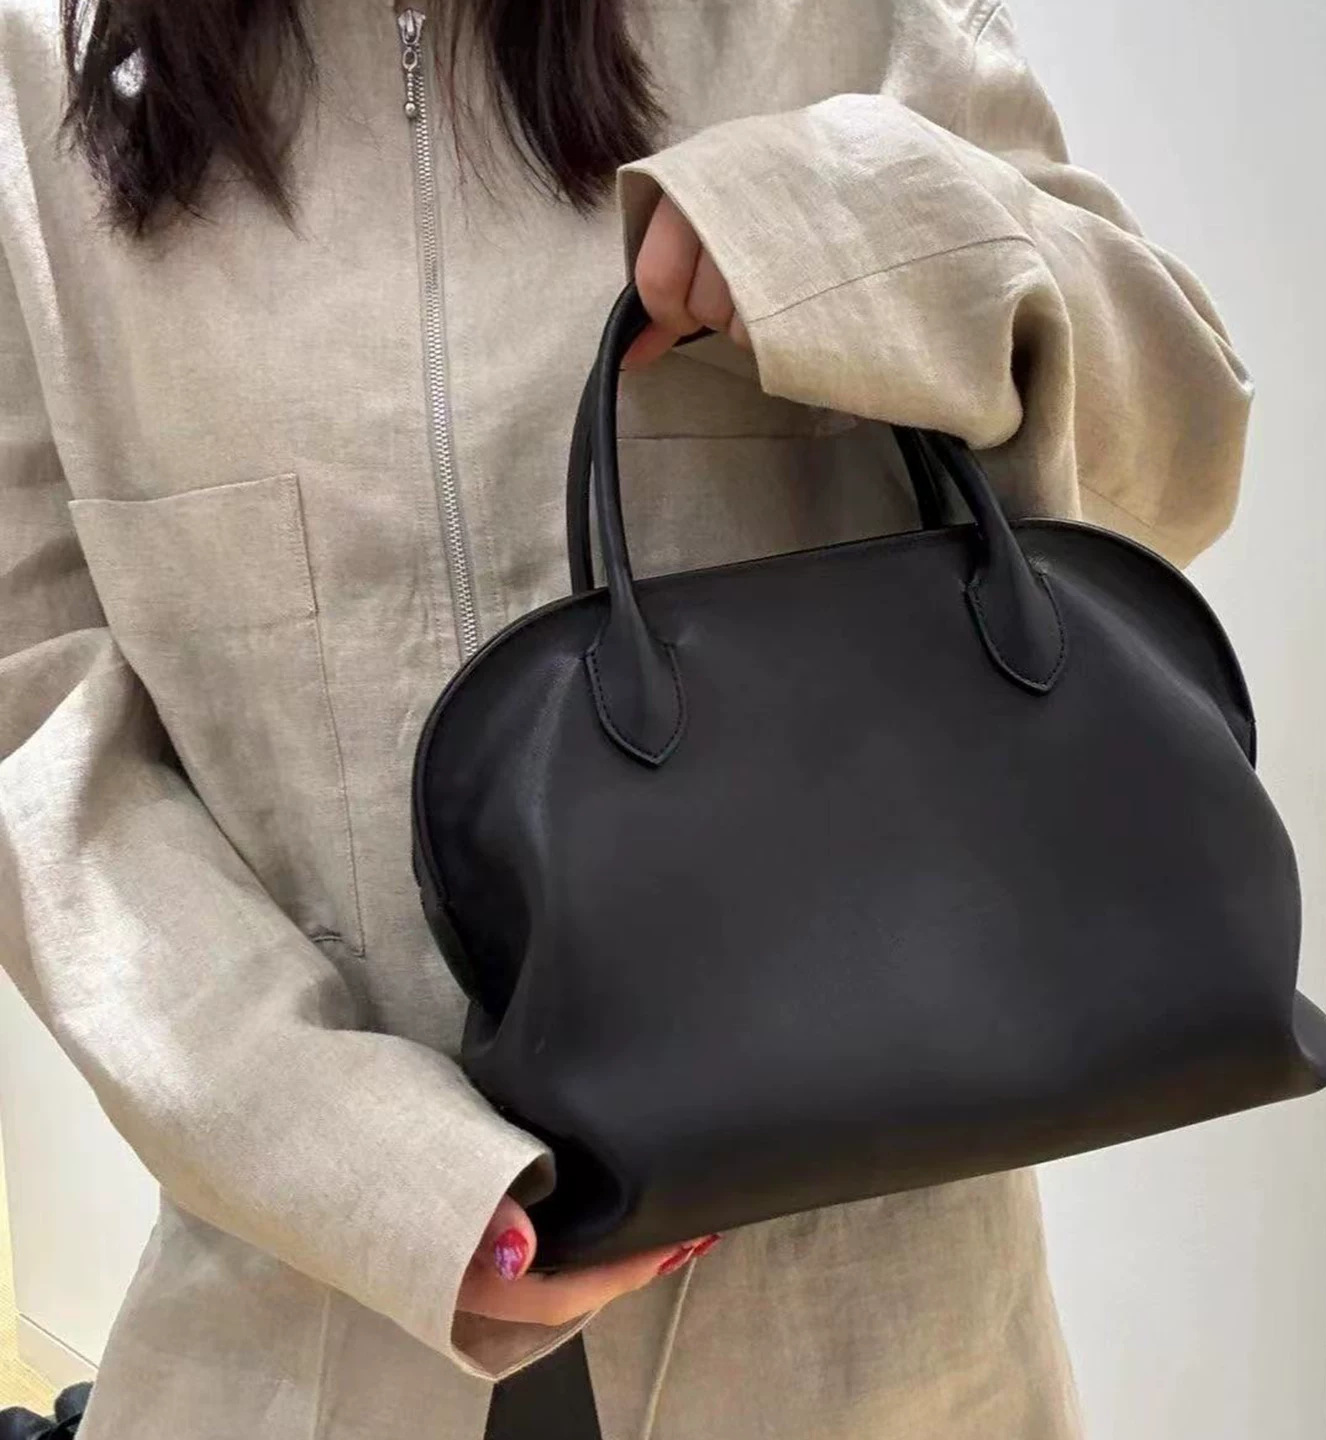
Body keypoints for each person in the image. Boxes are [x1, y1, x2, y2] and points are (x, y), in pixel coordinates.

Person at [0, 0, 1252, 1436]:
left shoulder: (819, 20)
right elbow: (41, 728)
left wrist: (857, 229)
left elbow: (1185, 452)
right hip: (301, 1331)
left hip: (873, 1343)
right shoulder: (39, 76)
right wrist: (373, 1176)